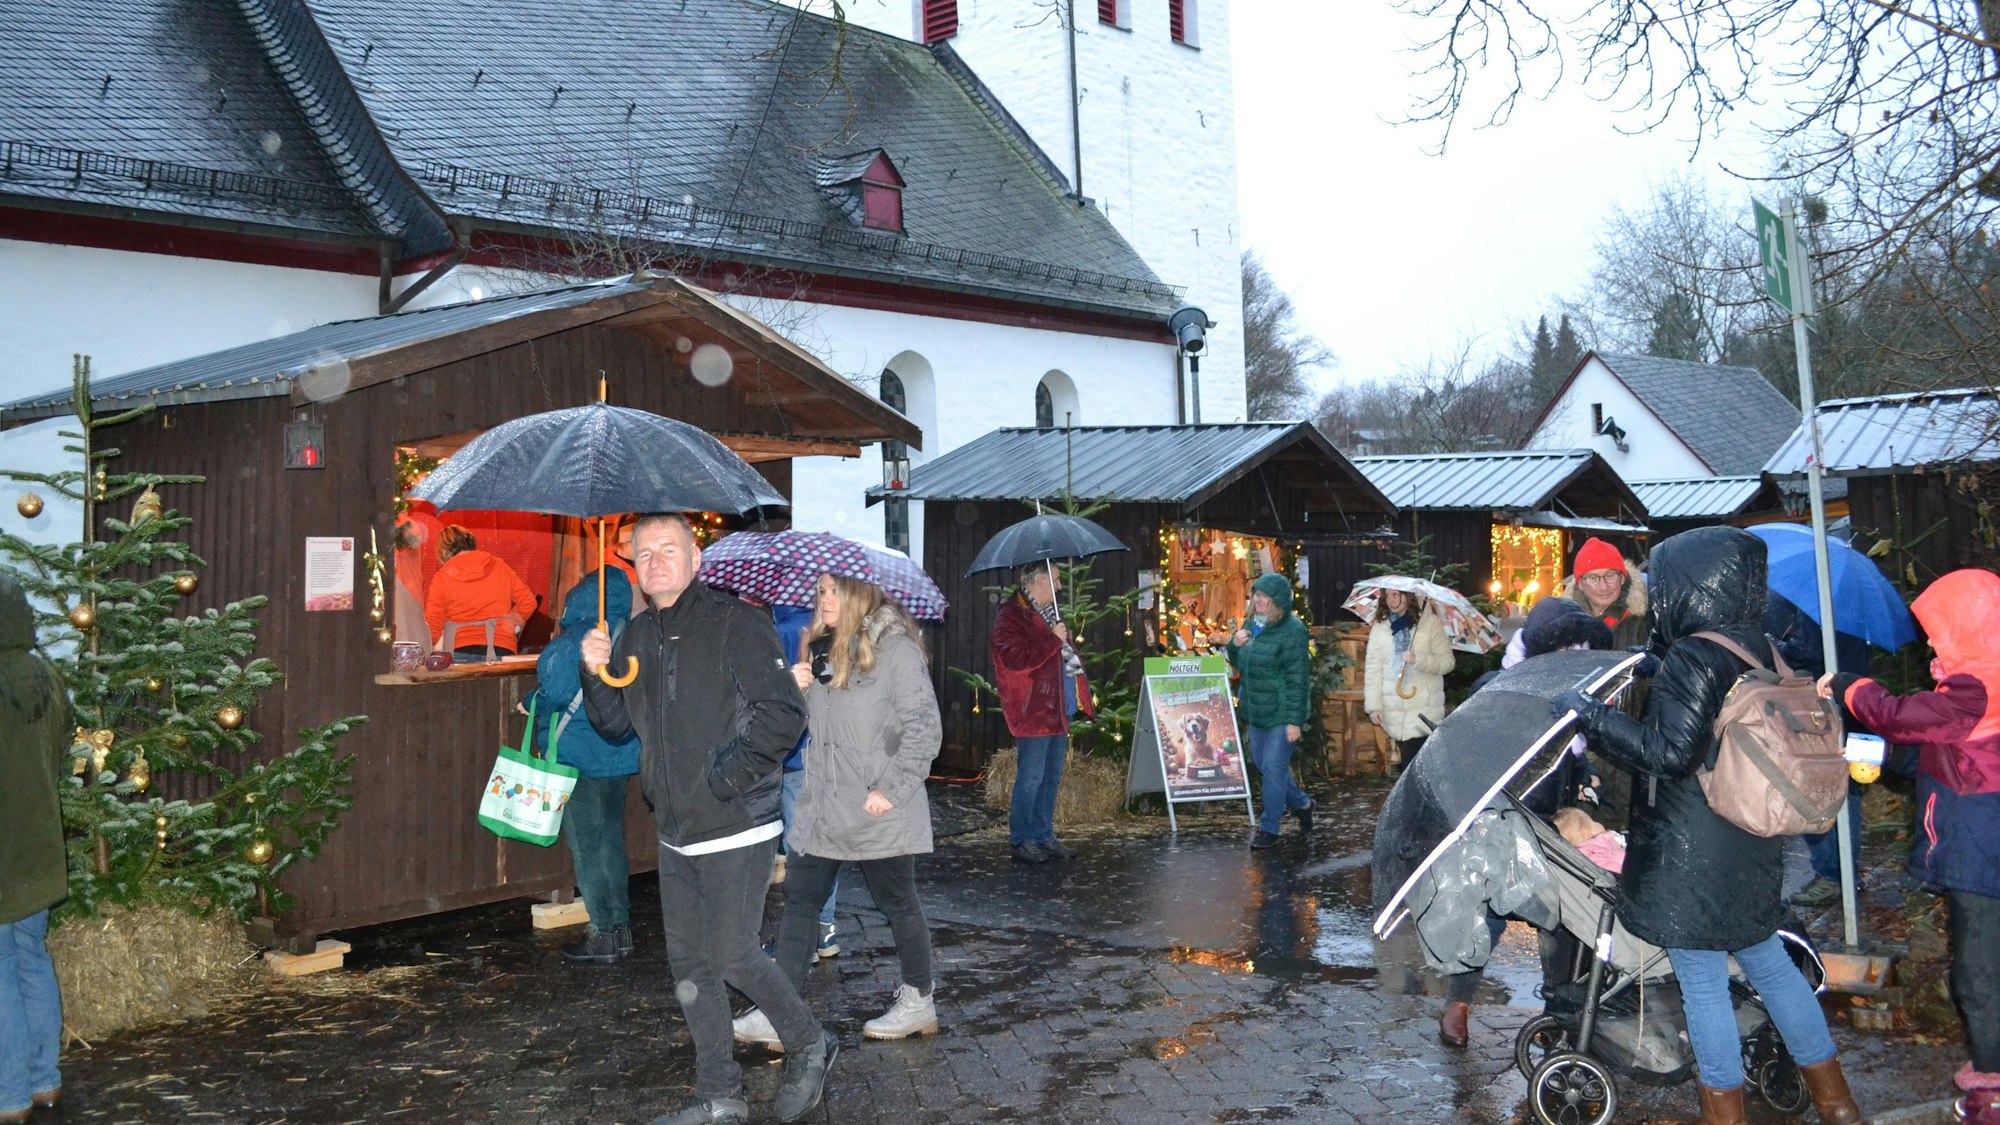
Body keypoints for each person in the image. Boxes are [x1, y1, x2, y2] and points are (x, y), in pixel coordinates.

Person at [1555, 526, 1861, 1125]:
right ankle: (1838, 1102)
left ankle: (1726, 1115)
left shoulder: (1697, 652)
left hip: (1692, 842)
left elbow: (1668, 753)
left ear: (1692, 583)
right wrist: (1657, 665)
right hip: (1749, 838)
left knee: (1701, 978)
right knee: (1768, 963)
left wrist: (1589, 715)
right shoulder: (1759, 646)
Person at [580, 514, 835, 1125]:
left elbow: (782, 715)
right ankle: (720, 1094)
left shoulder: (735, 623)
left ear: (696, 560)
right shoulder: (637, 635)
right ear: (634, 569)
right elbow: (615, 725)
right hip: (676, 828)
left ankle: (809, 1044)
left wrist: (724, 780)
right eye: (645, 554)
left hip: (736, 822)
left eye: (671, 550)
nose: (657, 561)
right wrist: (595, 675)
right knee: (690, 966)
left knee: (733, 956)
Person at [1817, 568, 2000, 1123]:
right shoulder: (1977, 682)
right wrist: (1886, 759)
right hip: (1981, 843)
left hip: (1983, 851)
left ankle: (1992, 1092)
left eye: (1939, 631)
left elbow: (1898, 716)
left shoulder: (1980, 682)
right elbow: (1951, 753)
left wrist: (1850, 685)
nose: (1931, 643)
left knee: (1980, 975)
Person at [735, 574, 943, 1049]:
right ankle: (780, 1015)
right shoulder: (824, 650)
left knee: (898, 903)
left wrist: (891, 790)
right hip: (824, 805)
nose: (823, 599)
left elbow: (925, 729)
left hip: (877, 806)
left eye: (833, 591)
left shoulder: (896, 651)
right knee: (802, 904)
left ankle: (918, 1000)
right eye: (820, 591)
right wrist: (794, 690)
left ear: (859, 594)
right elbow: (803, 730)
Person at [533, 549, 642, 965]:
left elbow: (554, 693)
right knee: (611, 841)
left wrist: (531, 701)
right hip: (620, 757)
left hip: (578, 758)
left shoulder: (573, 642)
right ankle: (621, 929)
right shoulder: (633, 635)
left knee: (586, 845)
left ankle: (602, 934)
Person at [0, 574, 70, 1124]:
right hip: (39, 844)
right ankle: (44, 1080)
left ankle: (9, 1095)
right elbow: (54, 756)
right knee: (30, 958)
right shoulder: (46, 675)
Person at [1767, 593, 1872, 909]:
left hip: (1827, 714)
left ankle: (1833, 875)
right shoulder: (1853, 608)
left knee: (1824, 791)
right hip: (1852, 706)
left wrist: (1774, 644)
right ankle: (1844, 872)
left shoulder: (1822, 606)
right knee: (1843, 790)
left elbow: (1809, 655)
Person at [991, 563, 1092, 865]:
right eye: (1056, 581)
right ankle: (1022, 839)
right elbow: (1015, 660)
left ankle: (1043, 834)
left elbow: (1057, 655)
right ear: (1037, 582)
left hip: (1059, 707)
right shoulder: (1010, 616)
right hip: (1033, 710)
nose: (1060, 588)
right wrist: (1053, 640)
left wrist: (1059, 639)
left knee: (1051, 776)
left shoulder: (1047, 615)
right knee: (1031, 777)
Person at [1224, 573, 1314, 851]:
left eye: (1265, 596)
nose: (1259, 600)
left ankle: (1269, 828)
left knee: (1273, 768)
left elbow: (1298, 679)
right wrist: (1234, 646)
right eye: (1256, 594)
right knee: (1264, 766)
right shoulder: (1252, 624)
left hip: (1281, 713)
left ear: (1278, 601)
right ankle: (1301, 802)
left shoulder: (1293, 630)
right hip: (1256, 710)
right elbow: (1243, 666)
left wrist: (1294, 721)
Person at [770, 602, 839, 960]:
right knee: (821, 844)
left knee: (800, 848)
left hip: (797, 756)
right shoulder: (832, 632)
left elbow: (776, 699)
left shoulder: (783, 632)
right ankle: (825, 928)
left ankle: (804, 937)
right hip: (826, 758)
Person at [1363, 587, 1453, 768]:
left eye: (1396, 595)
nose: (1392, 600)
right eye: (1388, 596)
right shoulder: (1380, 628)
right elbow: (1373, 669)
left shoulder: (1429, 624)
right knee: (1408, 770)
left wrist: (1418, 660)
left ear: (1408, 597)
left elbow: (1447, 663)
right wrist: (1374, 706)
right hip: (1394, 712)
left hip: (1423, 711)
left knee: (1418, 770)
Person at [425, 525, 537, 660]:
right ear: (471, 542)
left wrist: (425, 650)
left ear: (443, 551)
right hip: (501, 647)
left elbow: (433, 622)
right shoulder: (499, 566)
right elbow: (528, 602)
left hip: (460, 648)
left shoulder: (442, 576)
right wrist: (511, 621)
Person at [1561, 536, 1649, 648]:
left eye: (1610, 576)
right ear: (1580, 584)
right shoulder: (1565, 625)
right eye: (1593, 578)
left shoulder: (1645, 623)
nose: (1604, 587)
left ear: (1622, 578)